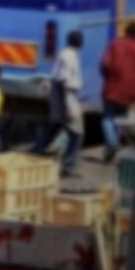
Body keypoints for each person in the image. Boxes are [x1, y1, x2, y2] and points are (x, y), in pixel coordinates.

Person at [31, 30, 85, 177]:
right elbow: (64, 82)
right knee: (76, 134)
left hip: (64, 96)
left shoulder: (69, 54)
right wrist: (66, 107)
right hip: (65, 97)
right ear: (79, 42)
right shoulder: (69, 56)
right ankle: (68, 167)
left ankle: (35, 152)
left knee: (55, 126)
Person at [101, 22, 135, 162]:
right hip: (131, 91)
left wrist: (107, 78)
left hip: (113, 87)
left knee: (107, 118)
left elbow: (105, 64)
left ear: (126, 31)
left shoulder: (116, 44)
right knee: (121, 119)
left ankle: (112, 144)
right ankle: (112, 148)